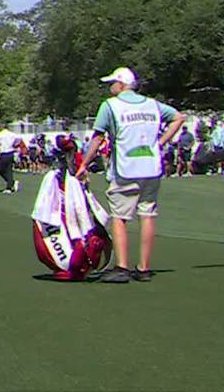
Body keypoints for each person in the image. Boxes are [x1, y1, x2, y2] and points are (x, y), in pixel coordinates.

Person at [77, 67, 184, 284]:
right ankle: (144, 267)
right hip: (151, 167)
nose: (110, 87)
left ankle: (122, 266)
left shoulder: (110, 106)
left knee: (119, 217)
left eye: (113, 83)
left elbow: (98, 138)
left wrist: (84, 164)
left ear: (121, 84)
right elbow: (178, 117)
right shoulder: (152, 104)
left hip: (126, 168)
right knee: (147, 215)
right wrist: (160, 143)